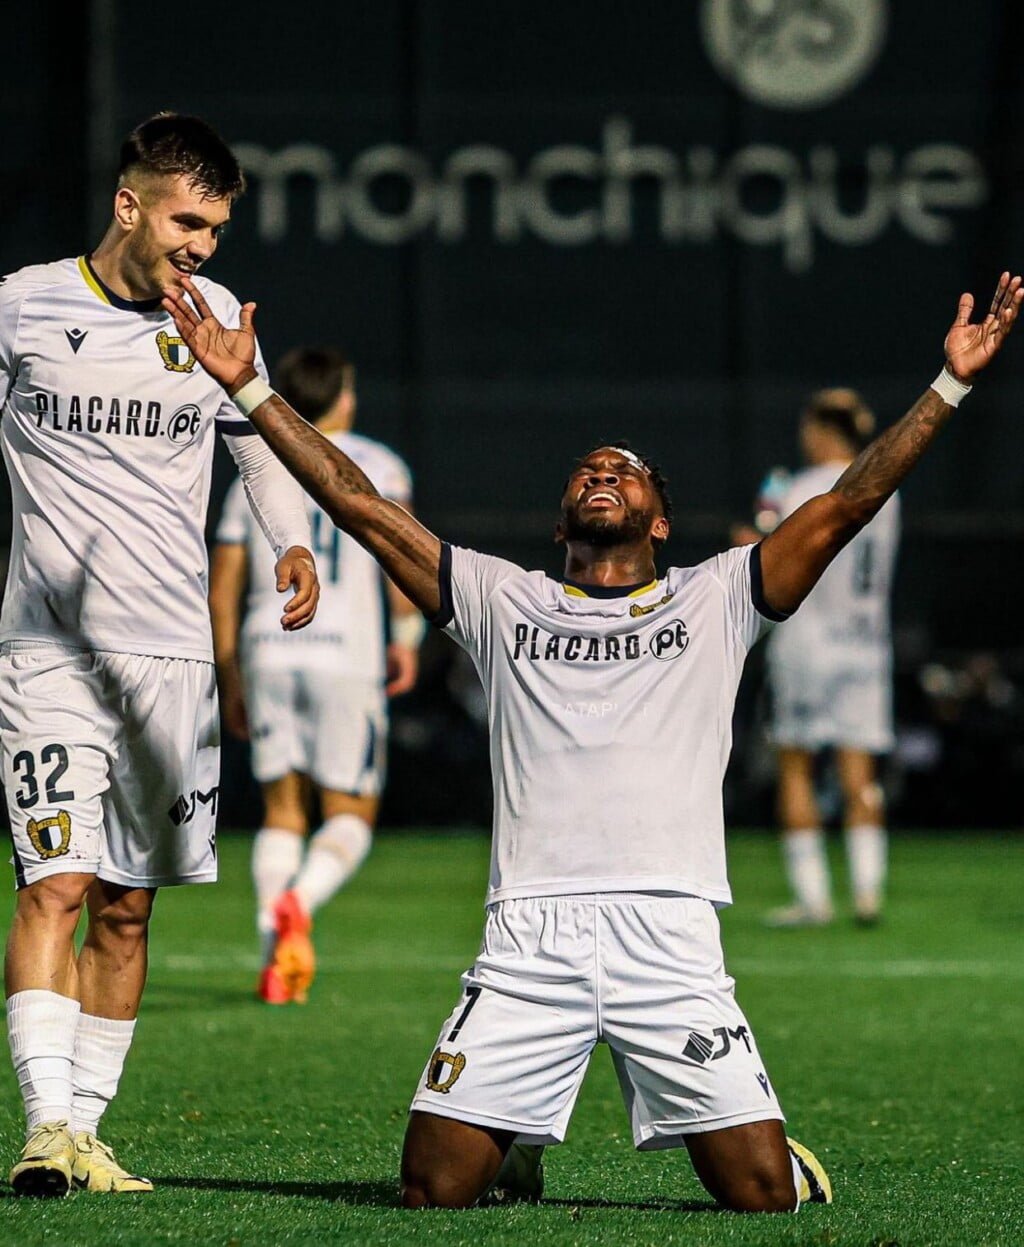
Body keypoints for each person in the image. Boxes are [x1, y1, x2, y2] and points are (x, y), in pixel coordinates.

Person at [162, 269, 1021, 1213]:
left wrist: (949, 386)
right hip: (531, 936)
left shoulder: (719, 595)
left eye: (626, 469)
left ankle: (755, 1144)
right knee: (432, 1188)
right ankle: (515, 1138)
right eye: (587, 467)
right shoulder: (503, 598)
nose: (601, 471)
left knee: (763, 1196)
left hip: (670, 935)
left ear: (659, 518)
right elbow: (361, 505)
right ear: (560, 516)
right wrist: (249, 389)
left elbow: (850, 500)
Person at [0, 113, 319, 1197]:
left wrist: (291, 541)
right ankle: (43, 1125)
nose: (204, 247)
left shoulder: (218, 316)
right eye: (189, 220)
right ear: (129, 204)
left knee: (130, 904)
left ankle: (86, 1132)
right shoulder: (22, 304)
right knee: (56, 880)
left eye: (218, 228)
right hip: (47, 647)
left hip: (173, 654)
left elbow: (254, 441)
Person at [209, 346, 424, 1004]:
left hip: (269, 647)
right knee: (351, 811)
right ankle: (296, 903)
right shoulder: (381, 462)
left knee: (282, 809)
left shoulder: (261, 459)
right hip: (346, 651)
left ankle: (277, 949)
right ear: (342, 398)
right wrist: (408, 636)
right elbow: (401, 552)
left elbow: (224, 585)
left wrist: (230, 673)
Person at [745, 391, 899, 927]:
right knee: (859, 770)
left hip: (809, 642)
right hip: (866, 644)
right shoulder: (887, 488)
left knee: (797, 766)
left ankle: (814, 900)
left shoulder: (802, 486)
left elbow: (773, 550)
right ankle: (867, 893)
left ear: (821, 430)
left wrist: (754, 532)